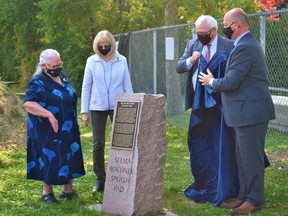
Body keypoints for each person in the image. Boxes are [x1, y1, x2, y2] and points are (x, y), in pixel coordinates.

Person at [199, 8, 275, 214]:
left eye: (225, 24)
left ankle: (255, 199)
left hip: (251, 113)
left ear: (235, 25)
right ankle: (244, 196)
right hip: (243, 113)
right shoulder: (242, 45)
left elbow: (232, 81)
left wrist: (211, 81)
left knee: (251, 158)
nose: (223, 28)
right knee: (243, 158)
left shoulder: (245, 47)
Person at [176, 15, 239, 206]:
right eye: (197, 32)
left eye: (203, 33)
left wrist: (215, 80)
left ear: (213, 31)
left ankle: (223, 183)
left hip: (221, 105)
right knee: (199, 143)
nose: (199, 36)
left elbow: (234, 74)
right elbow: (179, 67)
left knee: (221, 145)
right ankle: (203, 181)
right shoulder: (192, 44)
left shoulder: (229, 45)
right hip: (198, 106)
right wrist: (190, 61)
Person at [24, 49, 85, 204]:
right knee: (48, 157)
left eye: (60, 64)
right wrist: (49, 115)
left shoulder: (62, 77)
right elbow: (29, 104)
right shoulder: (37, 81)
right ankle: (47, 193)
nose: (58, 68)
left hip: (67, 126)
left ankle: (68, 191)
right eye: (54, 65)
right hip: (46, 129)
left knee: (68, 154)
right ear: (44, 66)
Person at [81, 30, 133, 193]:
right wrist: (84, 111)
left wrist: (132, 107)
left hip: (120, 105)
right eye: (100, 46)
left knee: (124, 142)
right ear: (96, 46)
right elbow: (86, 86)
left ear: (112, 44)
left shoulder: (121, 60)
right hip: (97, 107)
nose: (104, 48)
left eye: (107, 45)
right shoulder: (91, 61)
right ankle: (100, 179)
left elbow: (127, 84)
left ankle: (124, 176)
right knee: (98, 144)